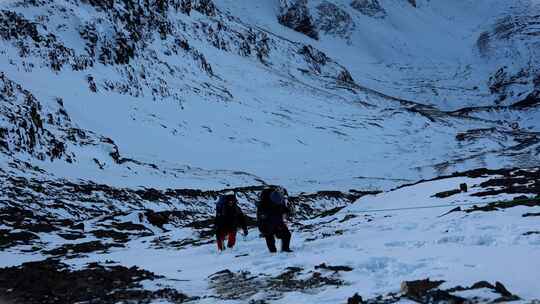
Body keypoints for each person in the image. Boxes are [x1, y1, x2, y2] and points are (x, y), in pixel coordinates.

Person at [256, 186, 293, 253]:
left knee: (272, 237)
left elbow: (282, 208)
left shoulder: (274, 199)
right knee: (282, 235)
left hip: (272, 223)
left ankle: (277, 251)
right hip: (270, 224)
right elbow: (282, 208)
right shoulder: (266, 203)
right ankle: (281, 250)